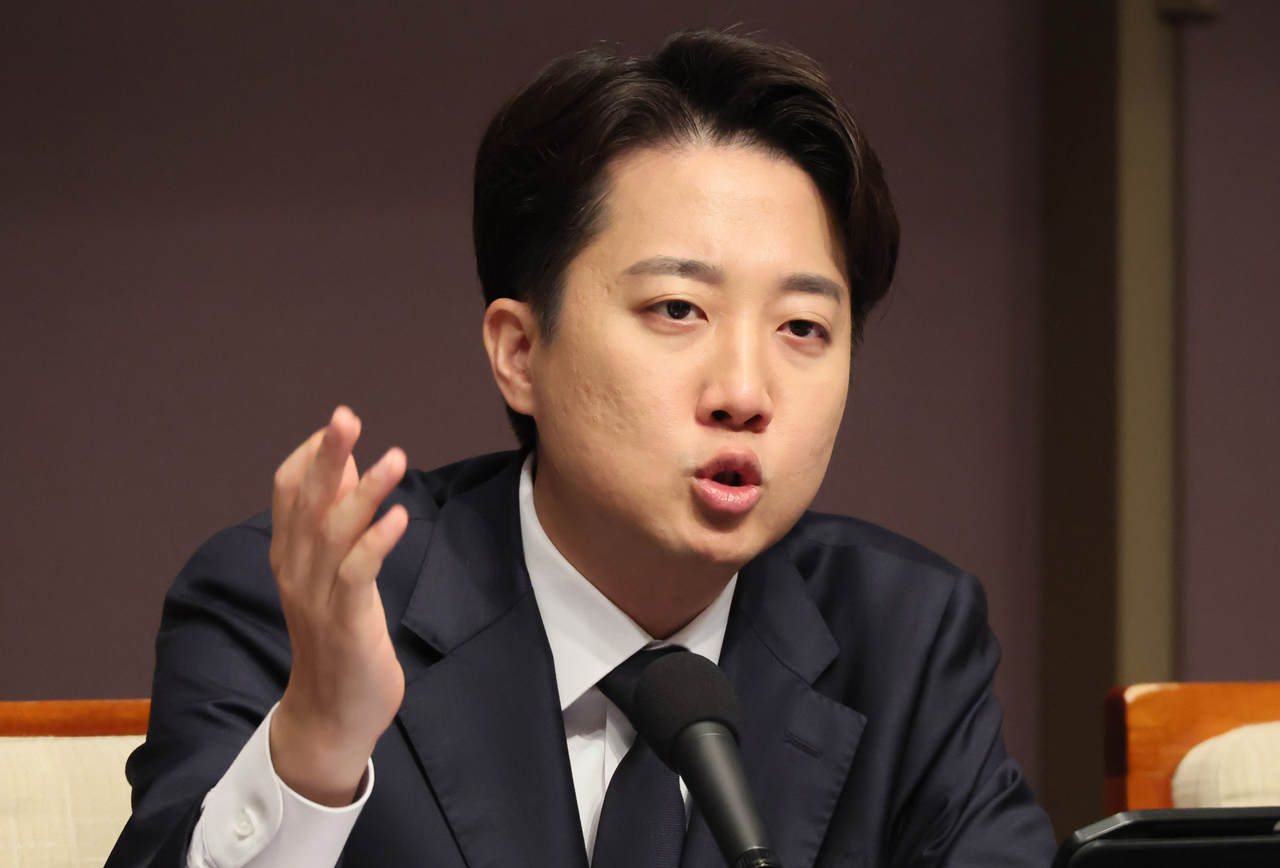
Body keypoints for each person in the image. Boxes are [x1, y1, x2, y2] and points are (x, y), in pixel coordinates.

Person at [107, 29, 1056, 868]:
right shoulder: (304, 613)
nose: (745, 394)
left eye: (803, 327)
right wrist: (313, 745)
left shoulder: (903, 638)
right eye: (678, 310)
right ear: (521, 353)